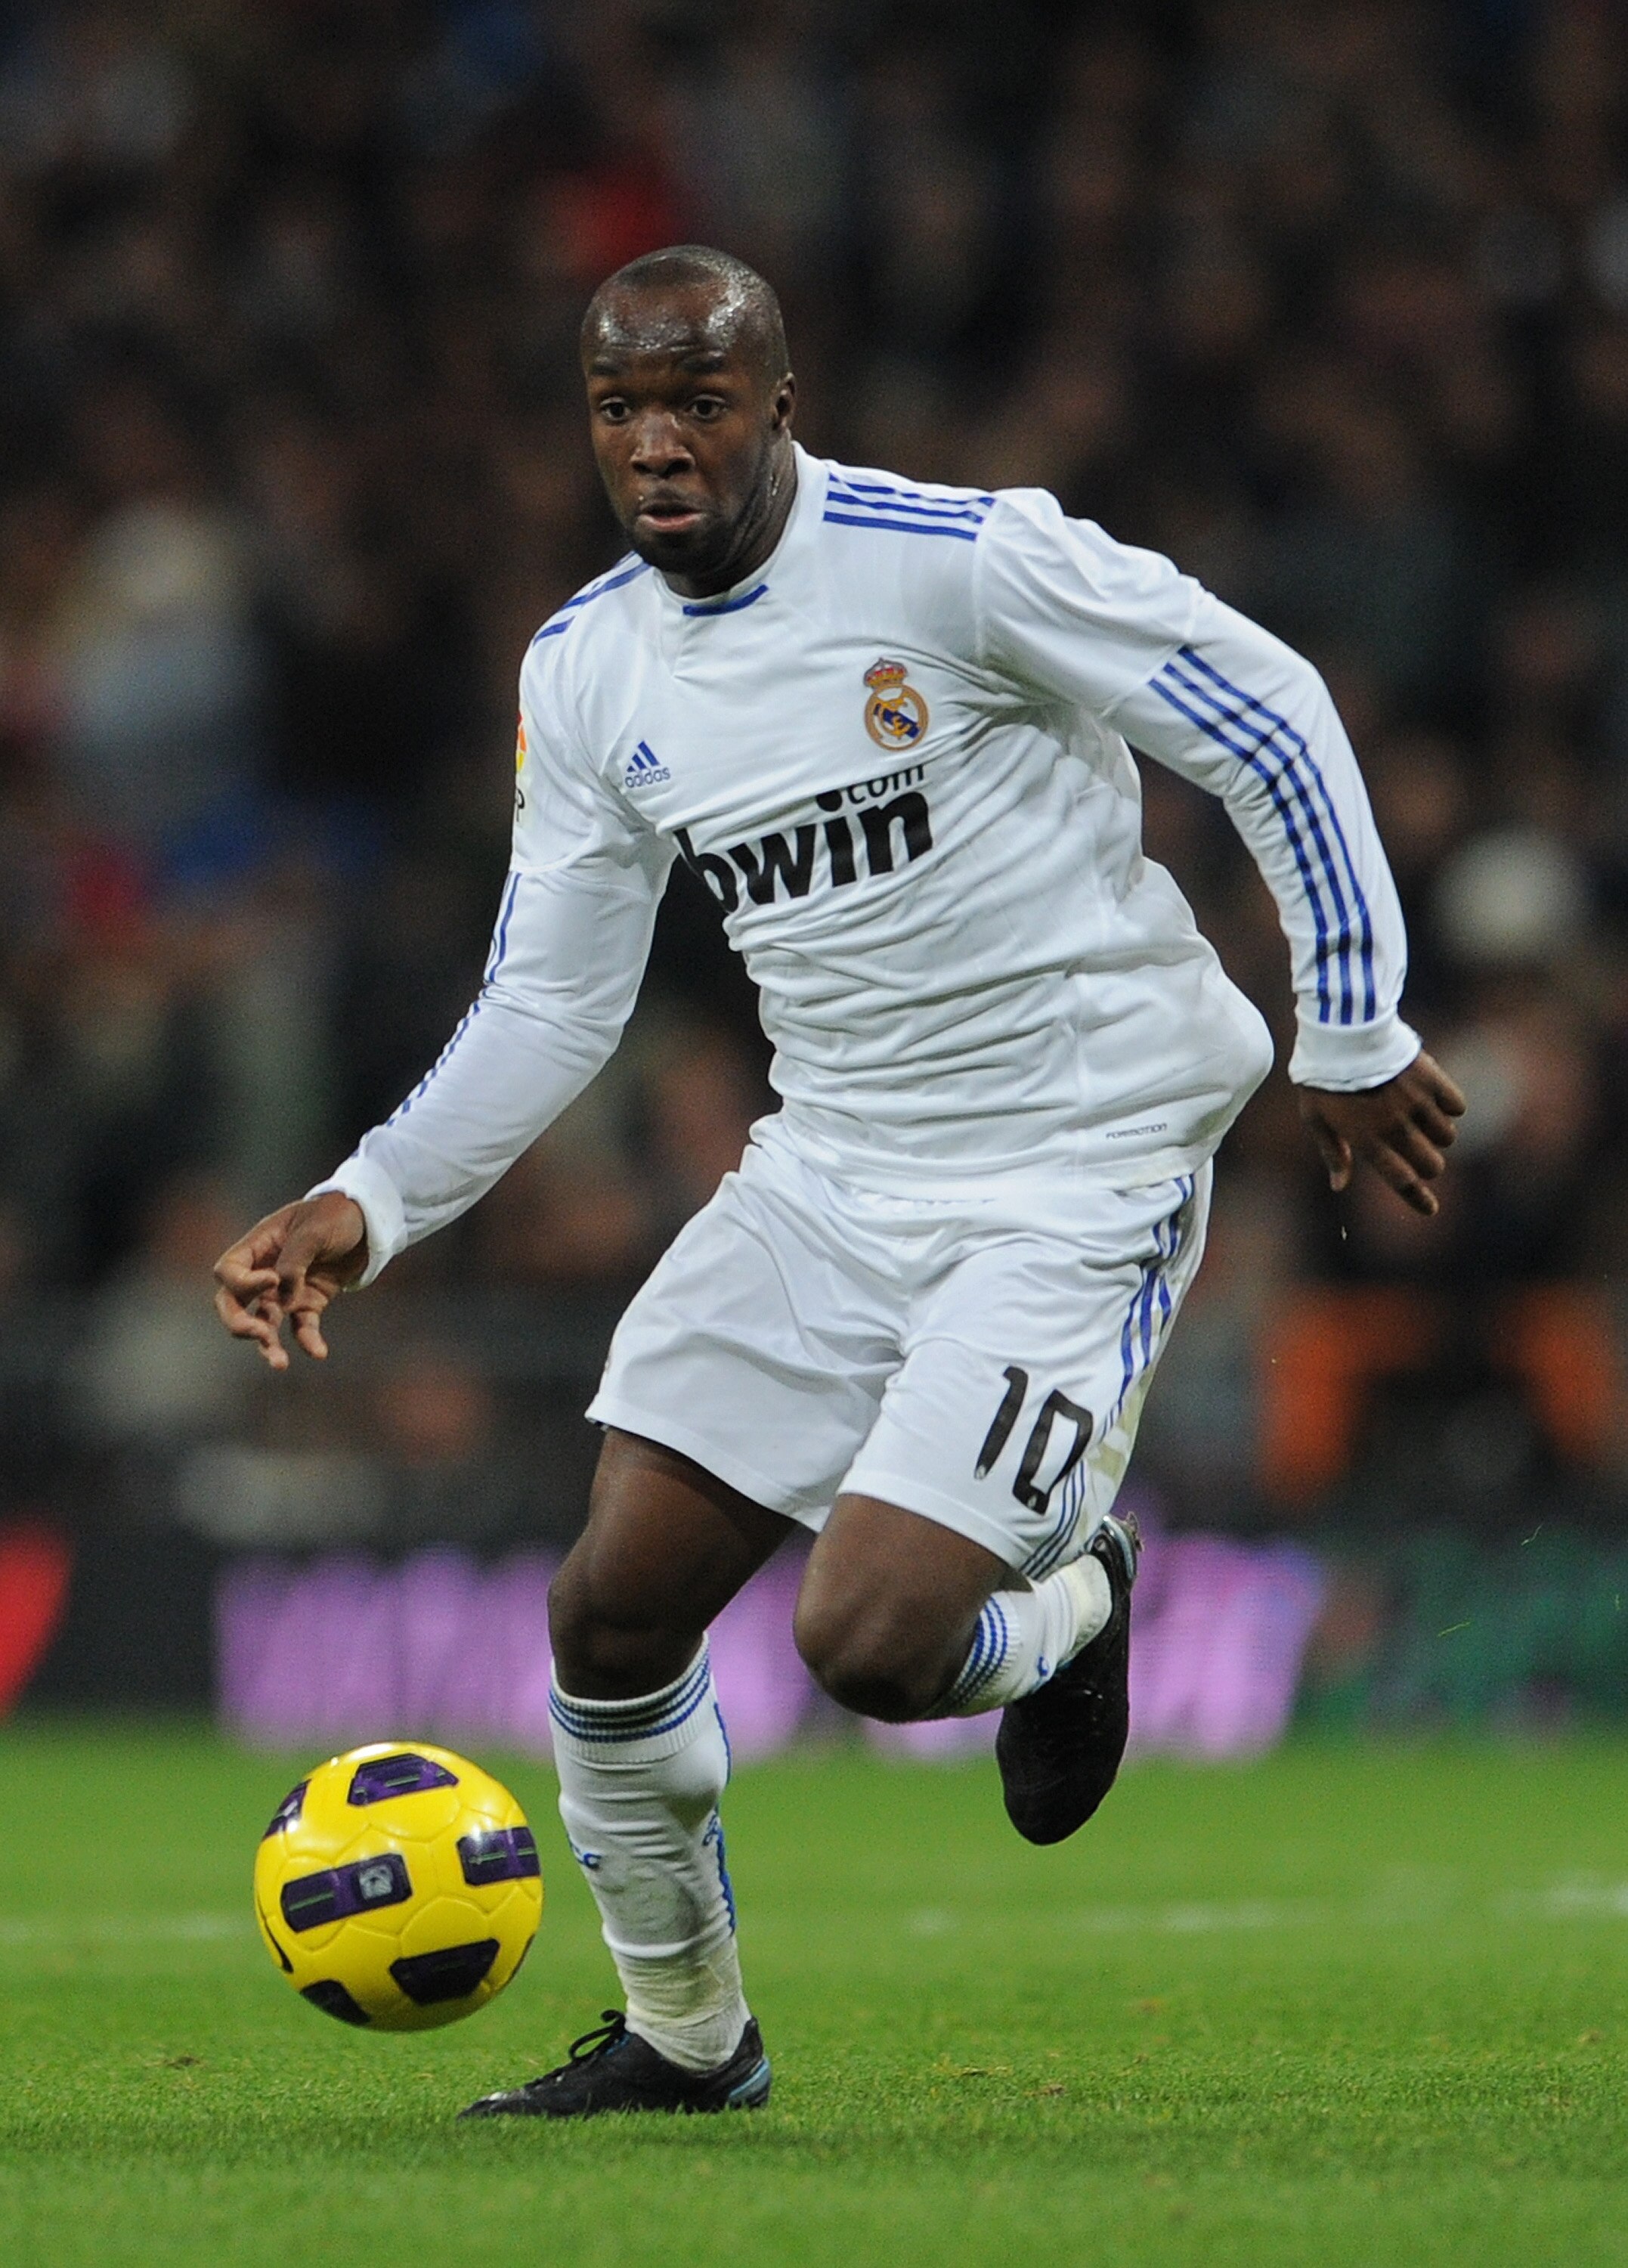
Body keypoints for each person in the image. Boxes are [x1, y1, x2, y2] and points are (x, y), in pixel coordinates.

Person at [214, 246, 1465, 2120]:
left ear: (778, 403)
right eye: (618, 409)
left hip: (1078, 1159)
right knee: (608, 1613)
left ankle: (1085, 1608)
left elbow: (1266, 711)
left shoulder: (956, 561)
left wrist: (1350, 1029)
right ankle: (687, 2043)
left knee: (870, 1645)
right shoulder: (590, 669)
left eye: (695, 402)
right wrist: (370, 1199)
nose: (655, 445)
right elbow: (555, 992)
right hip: (837, 1164)